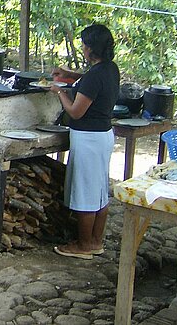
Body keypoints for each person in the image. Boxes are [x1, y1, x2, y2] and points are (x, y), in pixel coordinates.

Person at [50, 24, 120, 260]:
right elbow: (88, 81)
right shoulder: (110, 69)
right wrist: (69, 74)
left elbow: (76, 112)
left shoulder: (95, 76)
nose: (82, 48)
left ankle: (82, 244)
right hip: (103, 136)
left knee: (85, 192)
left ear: (90, 49)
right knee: (99, 191)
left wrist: (59, 91)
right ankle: (96, 241)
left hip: (88, 139)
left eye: (84, 44)